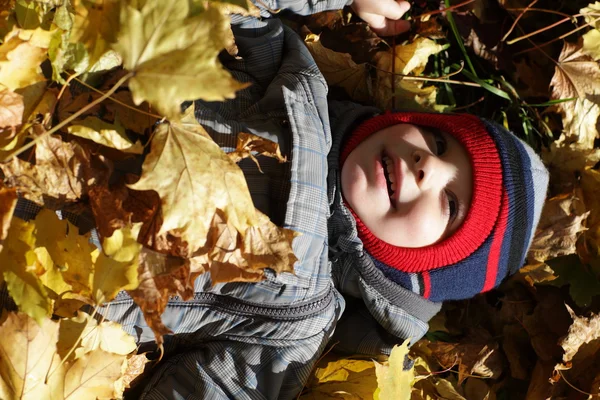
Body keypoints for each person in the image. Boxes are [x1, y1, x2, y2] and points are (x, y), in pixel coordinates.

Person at [4, 0, 549, 399]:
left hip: (30, 270)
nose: (427, 165)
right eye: (437, 141)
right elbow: (233, 9)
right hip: (37, 101)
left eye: (452, 204)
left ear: (427, 267)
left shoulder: (300, 325)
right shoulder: (297, 82)